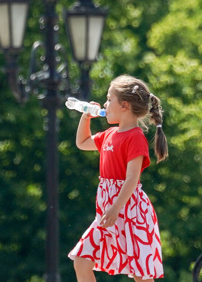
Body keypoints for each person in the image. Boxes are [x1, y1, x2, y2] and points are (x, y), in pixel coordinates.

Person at [68, 75, 168, 281]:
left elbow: (132, 178)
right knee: (81, 260)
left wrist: (115, 208)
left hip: (130, 211)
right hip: (107, 212)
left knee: (141, 273)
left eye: (108, 99)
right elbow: (83, 142)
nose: (105, 104)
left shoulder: (135, 137)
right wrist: (85, 116)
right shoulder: (109, 134)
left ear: (124, 105)